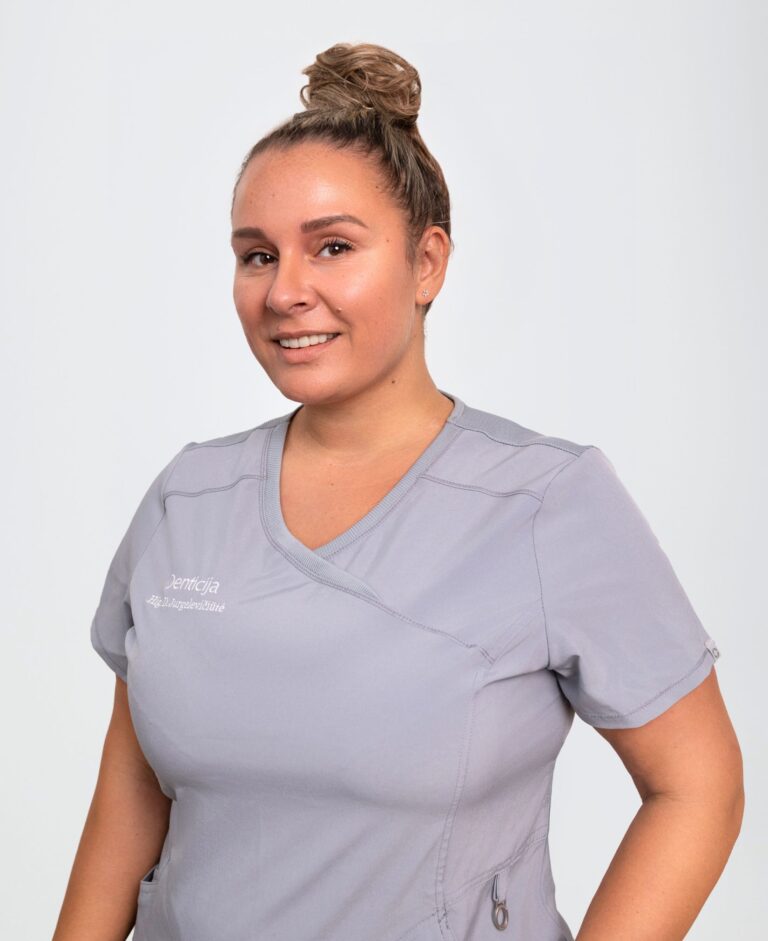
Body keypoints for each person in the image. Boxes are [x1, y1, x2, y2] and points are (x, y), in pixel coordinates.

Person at [54, 42, 744, 941]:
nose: (285, 291)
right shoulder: (188, 499)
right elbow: (130, 798)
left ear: (428, 263)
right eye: (257, 256)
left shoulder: (545, 503)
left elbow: (698, 784)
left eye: (333, 247)